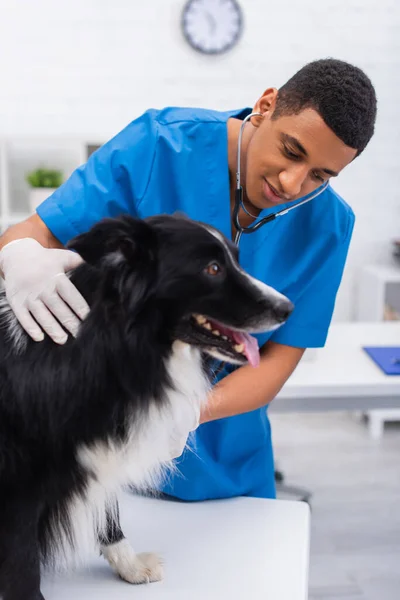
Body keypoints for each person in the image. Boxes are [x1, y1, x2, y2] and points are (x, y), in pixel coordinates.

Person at [0, 58, 377, 501]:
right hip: (97, 453)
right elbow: (37, 231)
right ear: (267, 104)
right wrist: (17, 254)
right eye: (292, 151)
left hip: (223, 469)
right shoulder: (159, 145)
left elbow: (277, 361)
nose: (293, 183)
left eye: (321, 175)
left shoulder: (328, 226)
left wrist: (184, 413)